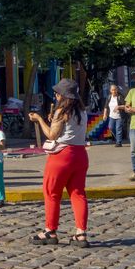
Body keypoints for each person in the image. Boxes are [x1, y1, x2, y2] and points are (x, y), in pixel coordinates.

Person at [28, 78, 90, 247]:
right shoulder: (82, 112)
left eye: (57, 93)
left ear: (63, 95)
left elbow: (52, 135)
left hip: (62, 156)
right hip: (80, 154)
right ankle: (81, 233)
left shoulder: (61, 111)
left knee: (52, 193)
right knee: (78, 194)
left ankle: (50, 230)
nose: (55, 95)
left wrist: (39, 120)